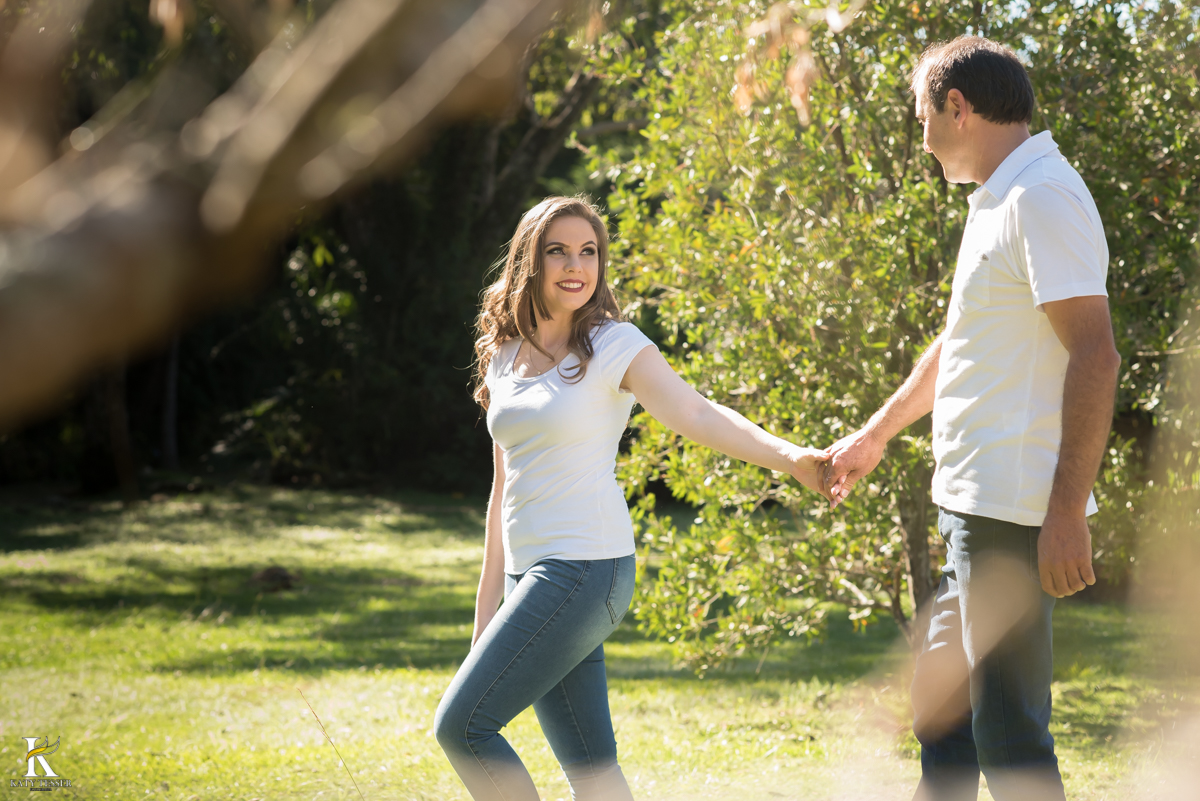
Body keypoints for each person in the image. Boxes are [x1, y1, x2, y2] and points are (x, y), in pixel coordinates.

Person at [434, 195, 831, 801]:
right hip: (530, 573)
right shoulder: (504, 353)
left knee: (463, 727)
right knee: (592, 771)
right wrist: (484, 616)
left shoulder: (612, 344)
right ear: (529, 261)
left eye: (588, 252)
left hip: (585, 568)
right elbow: (502, 492)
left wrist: (790, 459)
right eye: (558, 251)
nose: (576, 265)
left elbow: (696, 411)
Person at [820, 37, 1120, 801]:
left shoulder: (1041, 197)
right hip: (970, 506)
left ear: (958, 106)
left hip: (1013, 513)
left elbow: (1096, 353)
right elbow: (962, 342)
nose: (920, 136)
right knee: (943, 717)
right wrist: (878, 433)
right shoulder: (996, 198)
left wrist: (1064, 513)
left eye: (921, 114)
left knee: (1010, 736)